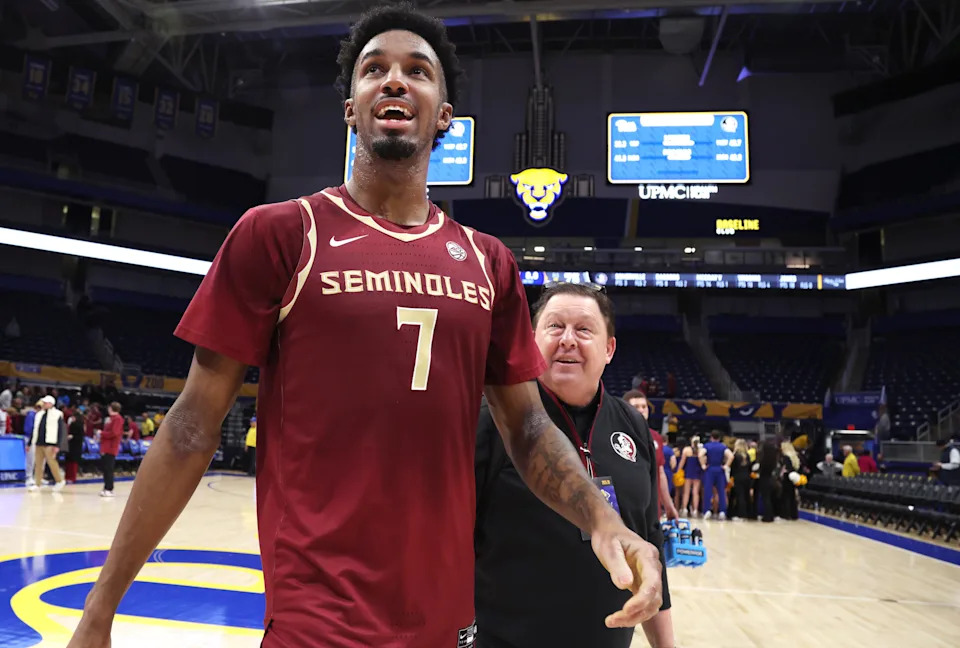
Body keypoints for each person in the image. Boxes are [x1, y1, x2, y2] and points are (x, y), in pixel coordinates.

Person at [66, 5, 661, 647]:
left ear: (445, 116)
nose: (394, 81)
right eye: (373, 70)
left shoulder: (490, 262)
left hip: (445, 620)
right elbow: (189, 426)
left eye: (417, 71)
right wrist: (102, 608)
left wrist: (604, 520)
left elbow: (528, 427)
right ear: (351, 108)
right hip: (317, 621)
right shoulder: (280, 234)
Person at [475, 283, 673, 648]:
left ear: (609, 348)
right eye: (554, 327)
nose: (568, 340)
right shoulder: (494, 421)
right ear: (531, 341)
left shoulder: (633, 426)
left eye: (583, 329)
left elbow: (648, 541)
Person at [624, 389, 679, 520]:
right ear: (625, 410)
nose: (642, 410)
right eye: (636, 407)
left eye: (644, 406)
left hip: (652, 510)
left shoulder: (656, 437)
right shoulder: (617, 435)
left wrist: (669, 505)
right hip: (625, 511)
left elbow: (660, 473)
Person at [27, 395, 66, 491]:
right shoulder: (39, 414)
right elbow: (35, 429)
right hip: (39, 442)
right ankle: (37, 483)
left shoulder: (58, 414)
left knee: (52, 462)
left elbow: (61, 431)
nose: (43, 404)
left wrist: (57, 445)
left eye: (45, 402)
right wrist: (29, 443)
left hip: (50, 443)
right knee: (38, 464)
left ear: (50, 404)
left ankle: (59, 480)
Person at [700, 430, 733, 520]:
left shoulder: (707, 446)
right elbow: (731, 456)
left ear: (711, 437)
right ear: (719, 438)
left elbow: (700, 455)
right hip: (719, 469)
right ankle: (722, 511)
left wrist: (703, 465)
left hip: (710, 469)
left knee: (708, 491)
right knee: (721, 492)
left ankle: (707, 510)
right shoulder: (723, 446)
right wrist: (726, 465)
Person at [99, 402, 123, 497]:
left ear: (111, 408)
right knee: (105, 468)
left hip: (111, 447)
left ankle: (109, 488)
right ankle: (106, 487)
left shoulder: (118, 419)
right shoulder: (110, 419)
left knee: (109, 468)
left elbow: (114, 433)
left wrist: (102, 433)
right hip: (105, 446)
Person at [679, 435, 703, 516]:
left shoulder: (686, 450)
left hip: (688, 472)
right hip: (697, 472)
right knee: (695, 492)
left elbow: (682, 462)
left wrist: (678, 470)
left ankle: (685, 509)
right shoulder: (701, 450)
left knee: (686, 492)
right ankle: (695, 510)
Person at [729, 438, 752, 520]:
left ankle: (740, 514)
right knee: (746, 496)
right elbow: (750, 468)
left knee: (740, 496)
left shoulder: (735, 456)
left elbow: (732, 468)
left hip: (738, 477)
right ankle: (748, 513)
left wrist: (730, 478)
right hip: (747, 477)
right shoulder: (747, 456)